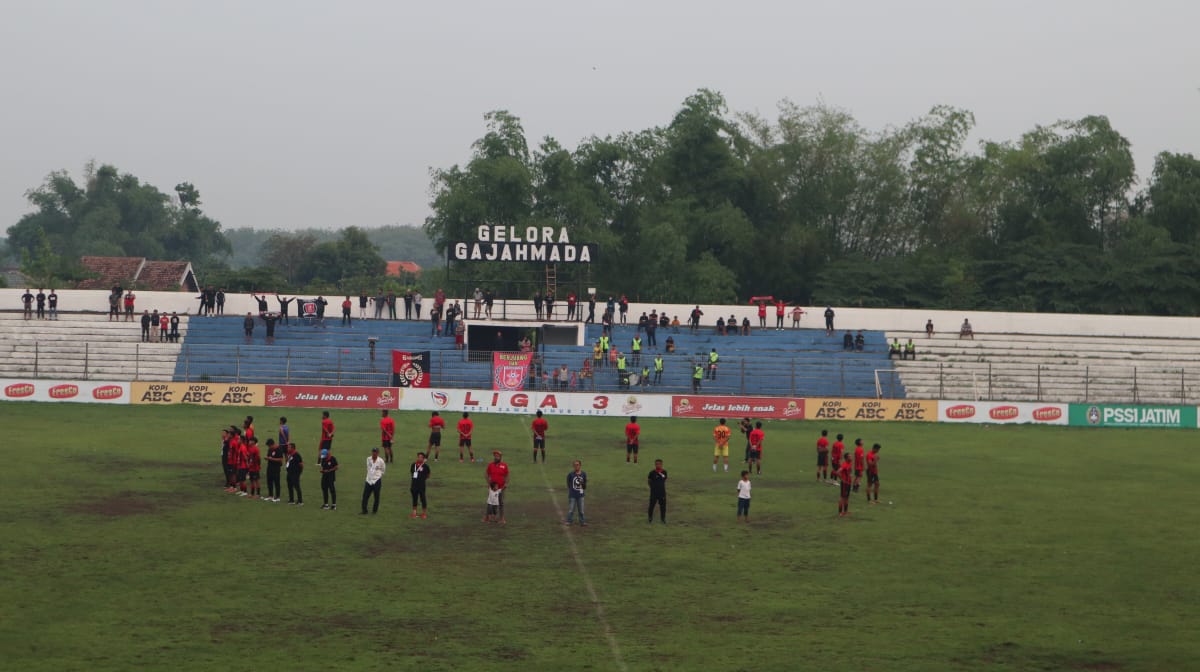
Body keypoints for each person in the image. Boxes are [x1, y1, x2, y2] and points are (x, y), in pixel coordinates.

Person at [484, 450, 509, 524]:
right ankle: (487, 518)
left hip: (501, 488)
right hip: (492, 488)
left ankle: (502, 518)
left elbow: (507, 475)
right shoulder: (490, 465)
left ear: (500, 457)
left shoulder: (504, 465)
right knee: (489, 503)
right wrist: (488, 483)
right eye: (495, 456)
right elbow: (486, 474)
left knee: (501, 503)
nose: (496, 457)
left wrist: (506, 483)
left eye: (497, 456)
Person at [360, 447, 386, 515]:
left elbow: (383, 470)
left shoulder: (381, 461)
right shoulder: (368, 459)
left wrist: (378, 475)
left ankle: (374, 511)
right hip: (368, 480)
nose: (374, 453)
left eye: (375, 452)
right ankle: (364, 510)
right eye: (373, 452)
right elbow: (368, 468)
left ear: (378, 453)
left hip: (376, 480)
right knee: (365, 496)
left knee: (376, 496)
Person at [564, 460, 587, 526]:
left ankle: (582, 522)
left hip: (581, 495)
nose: (576, 466)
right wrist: (572, 491)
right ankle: (569, 521)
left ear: (580, 465)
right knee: (571, 509)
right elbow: (568, 484)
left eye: (577, 465)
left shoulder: (583, 474)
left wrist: (582, 484)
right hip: (572, 495)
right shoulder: (570, 474)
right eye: (575, 465)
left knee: (581, 510)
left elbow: (585, 486)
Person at [409, 451, 431, 518]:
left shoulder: (425, 466)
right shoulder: (413, 465)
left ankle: (424, 513)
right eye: (418, 457)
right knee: (414, 499)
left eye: (421, 457)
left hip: (421, 485)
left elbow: (428, 475)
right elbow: (412, 473)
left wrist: (422, 479)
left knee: (423, 499)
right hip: (414, 485)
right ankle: (414, 513)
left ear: (423, 458)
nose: (419, 458)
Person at [647, 459, 668, 524]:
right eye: (656, 464)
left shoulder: (664, 472)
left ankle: (663, 519)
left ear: (661, 464)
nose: (658, 465)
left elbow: (664, 479)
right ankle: (650, 518)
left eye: (659, 464)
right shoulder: (652, 473)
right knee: (651, 506)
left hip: (662, 492)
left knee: (663, 507)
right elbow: (649, 481)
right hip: (654, 493)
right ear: (655, 464)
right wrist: (652, 488)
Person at [264, 438, 284, 503]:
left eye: (269, 446)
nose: (269, 447)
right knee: (269, 482)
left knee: (276, 482)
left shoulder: (279, 449)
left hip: (276, 468)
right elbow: (268, 456)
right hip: (269, 468)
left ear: (272, 444)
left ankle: (278, 497)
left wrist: (271, 459)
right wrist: (267, 458)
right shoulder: (270, 449)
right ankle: (270, 495)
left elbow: (281, 459)